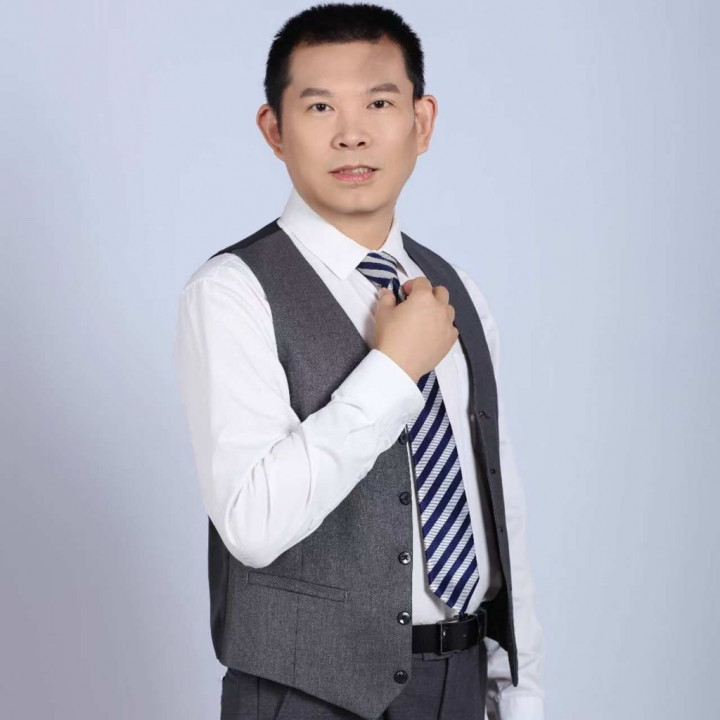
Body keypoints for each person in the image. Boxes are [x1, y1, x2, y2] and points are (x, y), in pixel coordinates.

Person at [173, 3, 544, 719]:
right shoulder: (231, 292)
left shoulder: (457, 290)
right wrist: (394, 370)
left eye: (379, 102)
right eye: (320, 106)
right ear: (274, 129)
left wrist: (519, 692)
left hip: (464, 684)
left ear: (421, 122)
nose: (352, 133)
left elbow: (500, 505)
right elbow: (252, 522)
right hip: (304, 696)